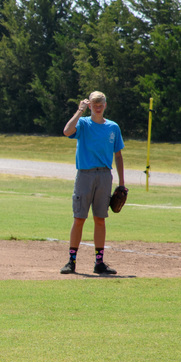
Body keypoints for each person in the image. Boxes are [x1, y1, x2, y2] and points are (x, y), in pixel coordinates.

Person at [61, 91, 126, 275]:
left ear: (105, 105)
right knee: (79, 217)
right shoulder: (83, 123)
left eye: (101, 104)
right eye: (94, 104)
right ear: (89, 105)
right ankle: (72, 261)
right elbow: (66, 131)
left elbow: (118, 155)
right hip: (85, 175)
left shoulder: (113, 127)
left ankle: (99, 262)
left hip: (105, 175)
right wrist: (79, 111)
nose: (98, 107)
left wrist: (121, 183)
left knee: (100, 219)